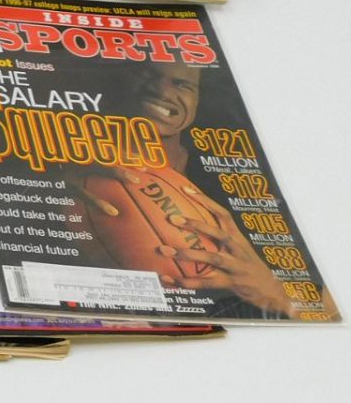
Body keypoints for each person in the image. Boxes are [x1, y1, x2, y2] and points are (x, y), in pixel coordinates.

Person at [87, 62, 320, 319]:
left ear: (199, 100)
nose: (163, 92)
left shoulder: (240, 179)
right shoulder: (78, 170)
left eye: (182, 84)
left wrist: (276, 292)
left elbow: (330, 308)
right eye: (147, 73)